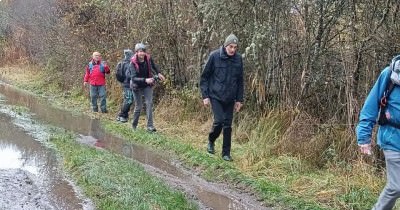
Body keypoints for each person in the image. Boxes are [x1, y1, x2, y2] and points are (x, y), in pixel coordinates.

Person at [356, 55, 400, 210]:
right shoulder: (390, 74)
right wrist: (364, 137)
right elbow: (371, 105)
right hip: (393, 139)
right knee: (396, 187)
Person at [200, 34, 244, 161]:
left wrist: (239, 100)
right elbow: (204, 77)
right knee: (219, 121)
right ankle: (211, 140)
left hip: (230, 98)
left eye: (235, 47)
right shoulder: (214, 56)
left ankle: (226, 153)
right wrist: (205, 96)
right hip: (216, 96)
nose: (233, 50)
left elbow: (240, 80)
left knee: (228, 125)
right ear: (225, 46)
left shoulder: (238, 59)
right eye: (231, 47)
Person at [130, 43, 165, 132]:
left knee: (149, 104)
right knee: (139, 106)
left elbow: (154, 66)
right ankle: (134, 126)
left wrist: (159, 73)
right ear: (137, 52)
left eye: (143, 52)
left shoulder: (148, 58)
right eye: (140, 52)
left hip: (147, 85)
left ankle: (150, 126)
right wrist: (145, 80)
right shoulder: (132, 63)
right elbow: (133, 78)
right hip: (136, 85)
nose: (142, 54)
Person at [116, 49, 134, 123]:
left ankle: (123, 116)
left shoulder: (122, 62)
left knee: (127, 100)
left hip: (125, 84)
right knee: (129, 100)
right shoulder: (129, 63)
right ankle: (122, 116)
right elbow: (130, 75)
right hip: (128, 85)